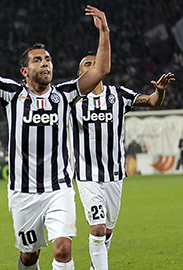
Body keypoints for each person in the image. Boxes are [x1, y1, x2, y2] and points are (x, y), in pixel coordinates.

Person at [0, 2, 111, 269]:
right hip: (23, 193)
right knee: (29, 255)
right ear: (25, 71)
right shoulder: (12, 94)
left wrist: (104, 32)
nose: (45, 63)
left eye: (47, 59)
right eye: (37, 60)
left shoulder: (65, 94)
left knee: (63, 249)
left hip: (59, 188)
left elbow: (100, 71)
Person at [72, 52, 174, 270]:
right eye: (87, 65)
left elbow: (153, 102)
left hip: (115, 175)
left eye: (96, 63)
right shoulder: (72, 100)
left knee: (107, 231)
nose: (93, 67)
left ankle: (95, 265)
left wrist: (160, 91)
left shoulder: (118, 95)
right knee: (97, 229)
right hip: (87, 175)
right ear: (80, 74)